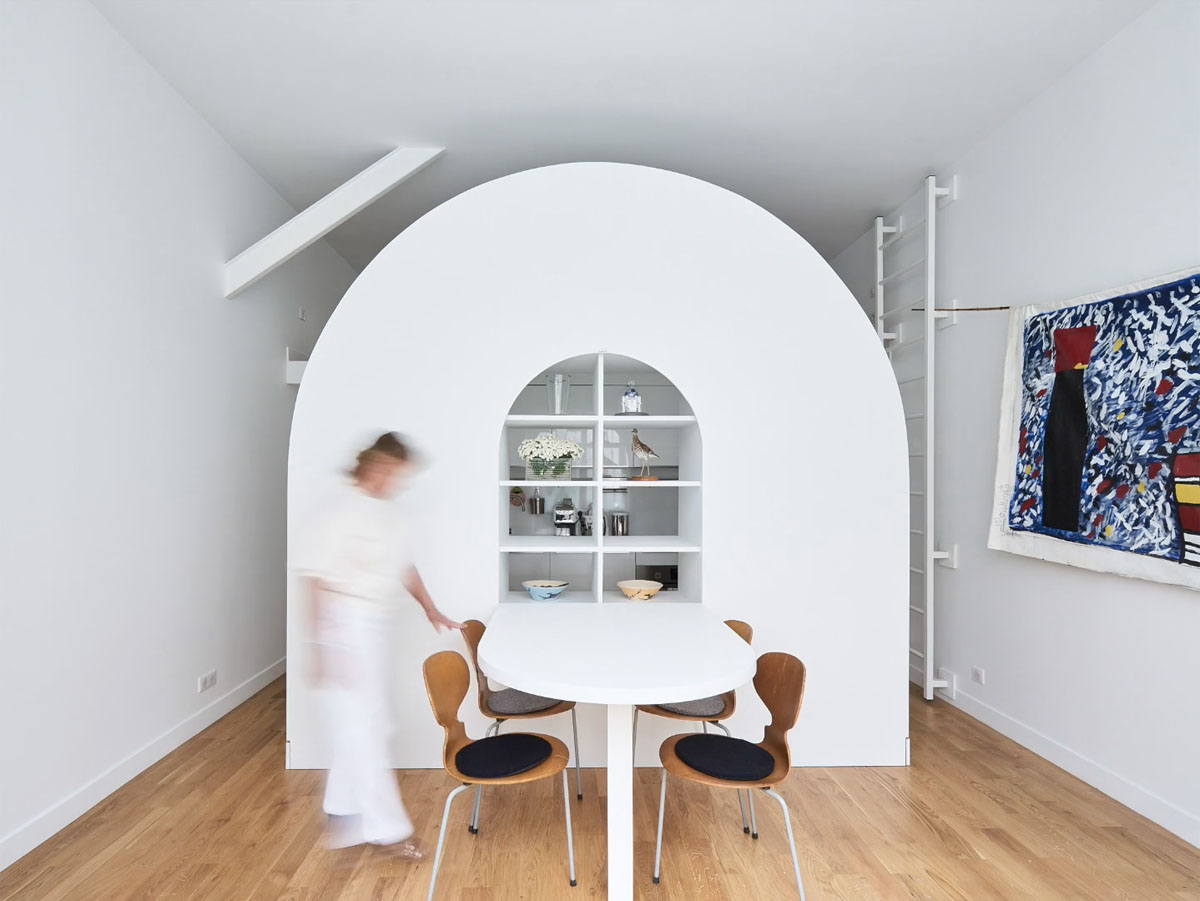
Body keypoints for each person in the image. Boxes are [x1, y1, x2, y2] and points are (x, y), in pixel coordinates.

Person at [298, 432, 463, 857]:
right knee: (365, 728)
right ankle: (387, 831)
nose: (398, 482)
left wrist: (431, 608)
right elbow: (315, 580)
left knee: (366, 723)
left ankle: (341, 809)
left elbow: (404, 567)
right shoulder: (338, 513)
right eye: (394, 472)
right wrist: (319, 645)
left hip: (373, 628)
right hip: (343, 626)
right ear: (374, 465)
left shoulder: (388, 515)